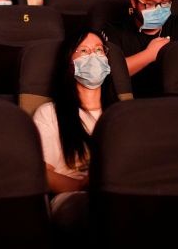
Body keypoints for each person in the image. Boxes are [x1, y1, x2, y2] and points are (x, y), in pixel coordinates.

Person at [32, 28, 118, 238]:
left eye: (99, 50)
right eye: (84, 51)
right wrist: (82, 184)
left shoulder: (122, 113)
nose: (94, 56)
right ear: (70, 62)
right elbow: (42, 172)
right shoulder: (49, 113)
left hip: (119, 193)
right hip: (73, 196)